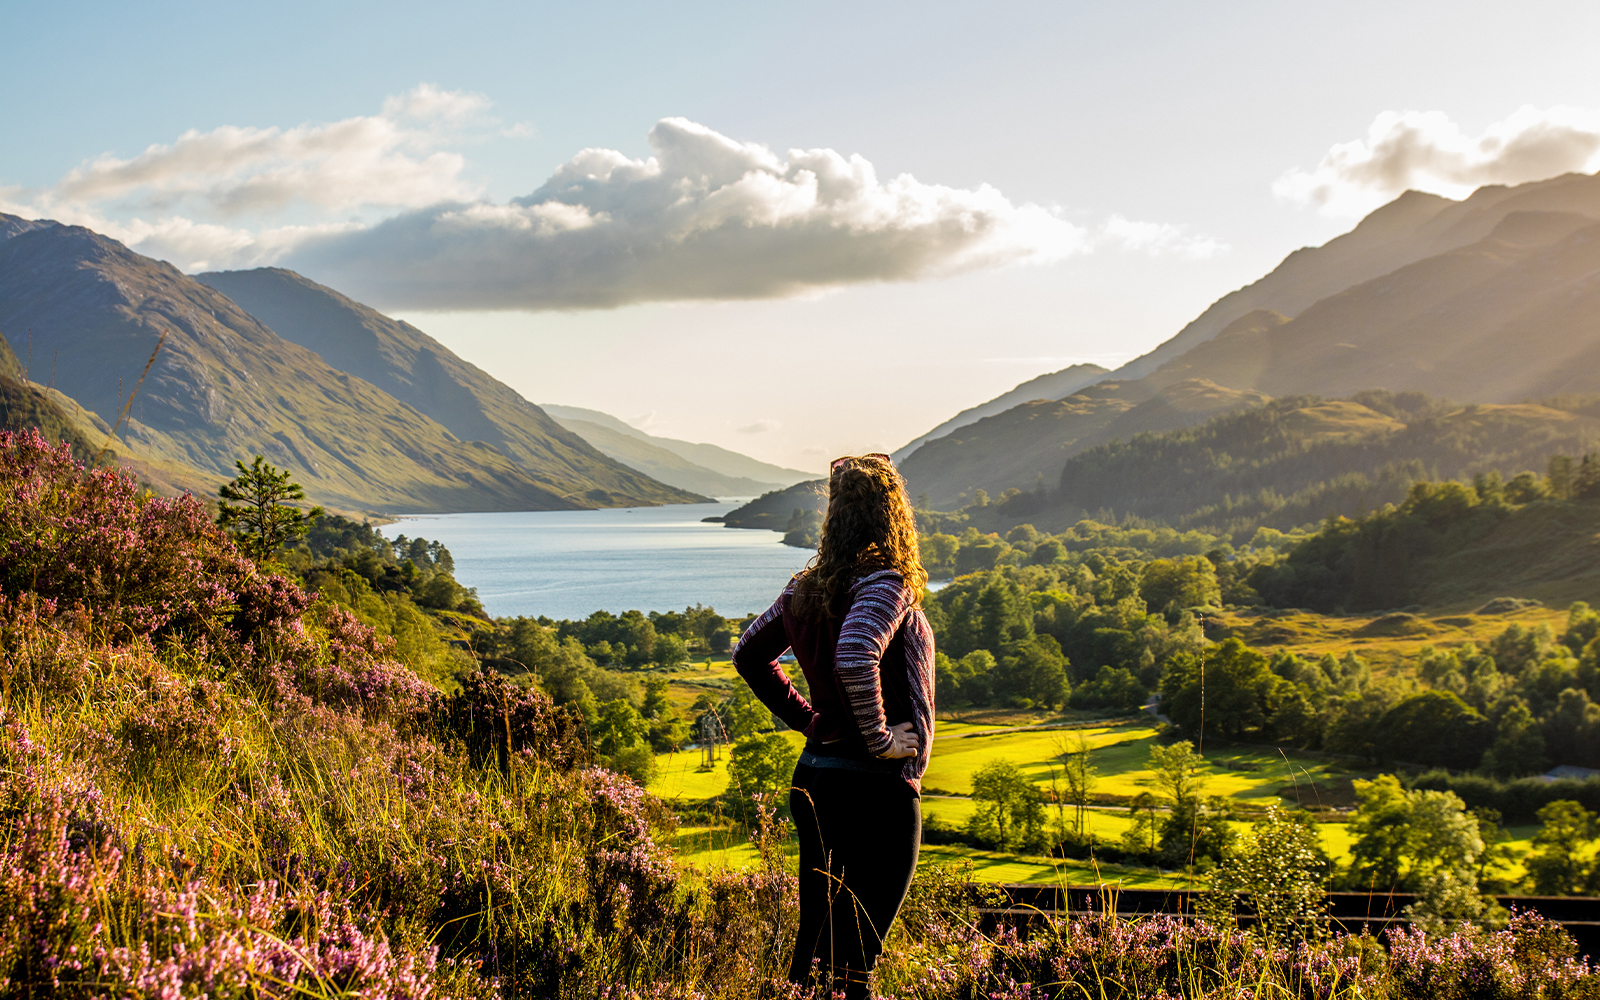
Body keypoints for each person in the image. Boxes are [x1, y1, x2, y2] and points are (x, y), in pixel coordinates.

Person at [732, 453, 935, 999]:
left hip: (816, 780)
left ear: (834, 515)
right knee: (855, 963)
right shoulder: (886, 582)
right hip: (874, 791)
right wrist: (882, 739)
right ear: (896, 512)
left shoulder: (807, 586)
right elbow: (854, 653)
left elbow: (749, 653)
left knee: (815, 955)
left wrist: (809, 721)